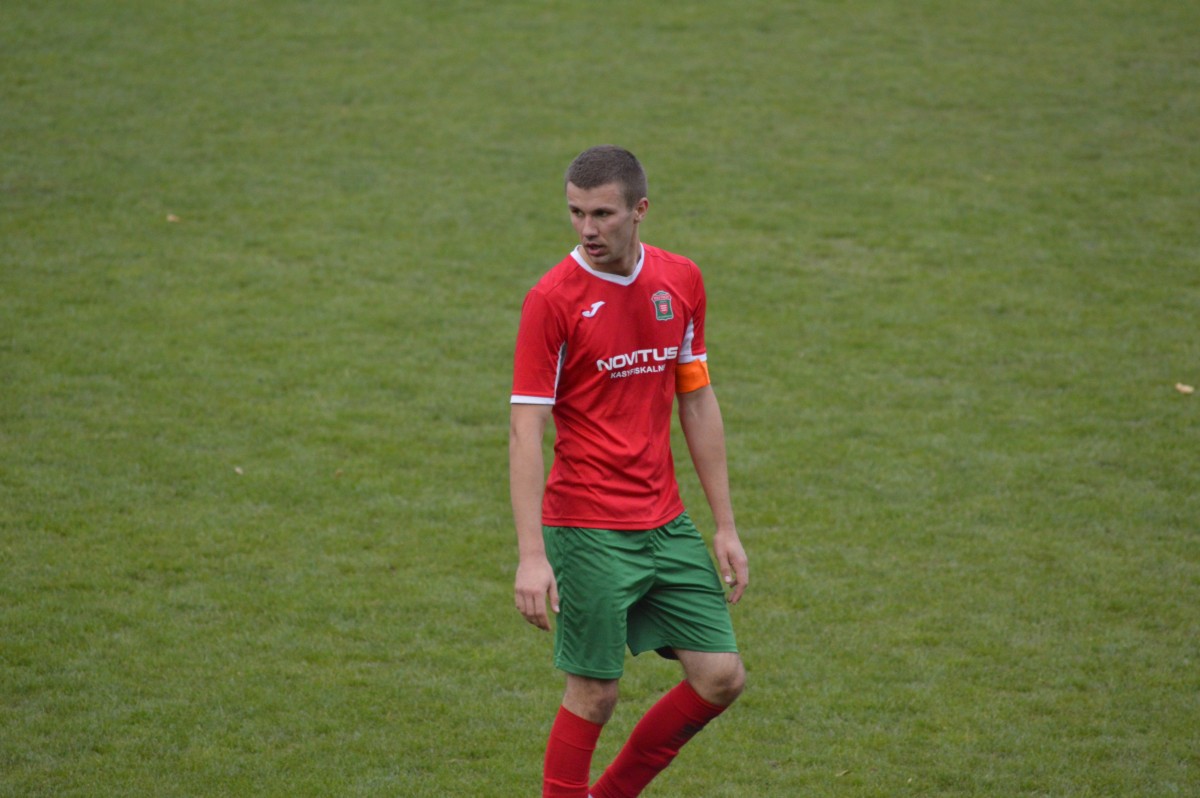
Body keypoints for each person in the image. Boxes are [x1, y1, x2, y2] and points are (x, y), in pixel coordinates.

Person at [509, 145, 749, 798]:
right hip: (586, 526)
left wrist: (725, 525)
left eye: (602, 214)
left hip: (664, 521)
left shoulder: (681, 280)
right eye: (576, 213)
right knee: (594, 693)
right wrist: (532, 556)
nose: (587, 229)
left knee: (720, 677)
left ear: (639, 210)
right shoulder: (552, 300)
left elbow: (695, 397)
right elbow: (526, 429)